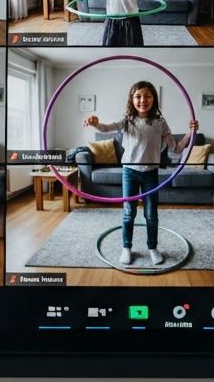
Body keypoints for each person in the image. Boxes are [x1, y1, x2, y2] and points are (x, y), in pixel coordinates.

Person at [83, 81, 198, 266]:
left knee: (151, 214)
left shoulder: (160, 123)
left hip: (151, 173)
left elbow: (176, 148)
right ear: (132, 99)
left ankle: (152, 247)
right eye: (138, 96)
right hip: (129, 172)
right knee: (129, 213)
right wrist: (96, 124)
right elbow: (106, 128)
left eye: (147, 96)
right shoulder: (127, 120)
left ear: (154, 99)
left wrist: (190, 134)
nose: (142, 100)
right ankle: (126, 248)